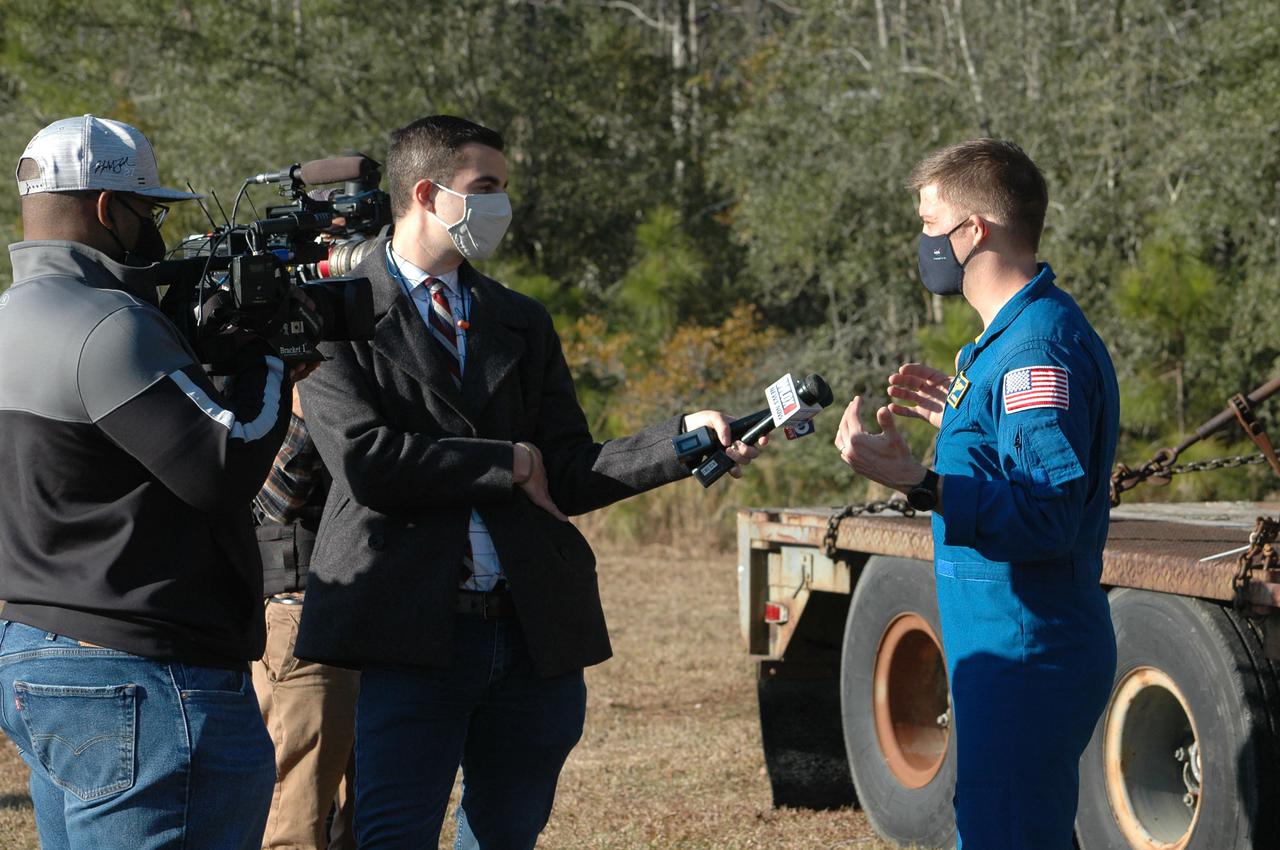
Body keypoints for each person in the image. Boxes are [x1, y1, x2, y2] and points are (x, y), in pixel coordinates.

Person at [293, 114, 764, 850]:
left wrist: (681, 440)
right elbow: (367, 461)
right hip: (412, 630)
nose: (501, 206)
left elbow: (567, 470)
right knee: (392, 835)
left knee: (507, 834)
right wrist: (504, 461)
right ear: (426, 192)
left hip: (530, 633)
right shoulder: (332, 314)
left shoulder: (520, 319)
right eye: (486, 188)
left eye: (505, 189)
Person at [0, 114, 301, 849]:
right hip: (143, 666)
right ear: (110, 209)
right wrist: (268, 358)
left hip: (34, 649)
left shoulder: (10, 315)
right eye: (150, 211)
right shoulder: (108, 324)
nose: (155, 230)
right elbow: (222, 469)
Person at [833, 139, 1119, 850]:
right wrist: (963, 419)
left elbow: (1047, 517)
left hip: (1026, 649)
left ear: (974, 232)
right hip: (1002, 648)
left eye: (931, 224)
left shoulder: (1032, 352)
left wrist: (919, 483)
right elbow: (1018, 462)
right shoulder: (1006, 341)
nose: (923, 242)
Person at [252, 386, 358, 850]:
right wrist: (302, 406)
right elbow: (272, 507)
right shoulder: (268, 369)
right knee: (293, 820)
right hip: (303, 612)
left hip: (386, 610)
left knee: (371, 821)